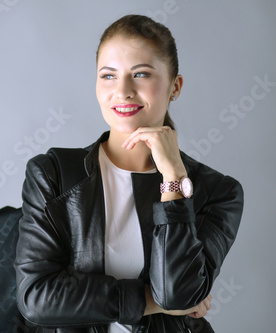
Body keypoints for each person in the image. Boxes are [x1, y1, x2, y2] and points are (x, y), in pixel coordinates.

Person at [14, 14, 244, 333]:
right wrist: (149, 300)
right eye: (108, 76)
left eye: (140, 74)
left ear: (175, 86)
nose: (122, 91)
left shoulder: (217, 191)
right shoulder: (53, 173)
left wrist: (174, 178)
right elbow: (37, 298)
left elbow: (177, 293)